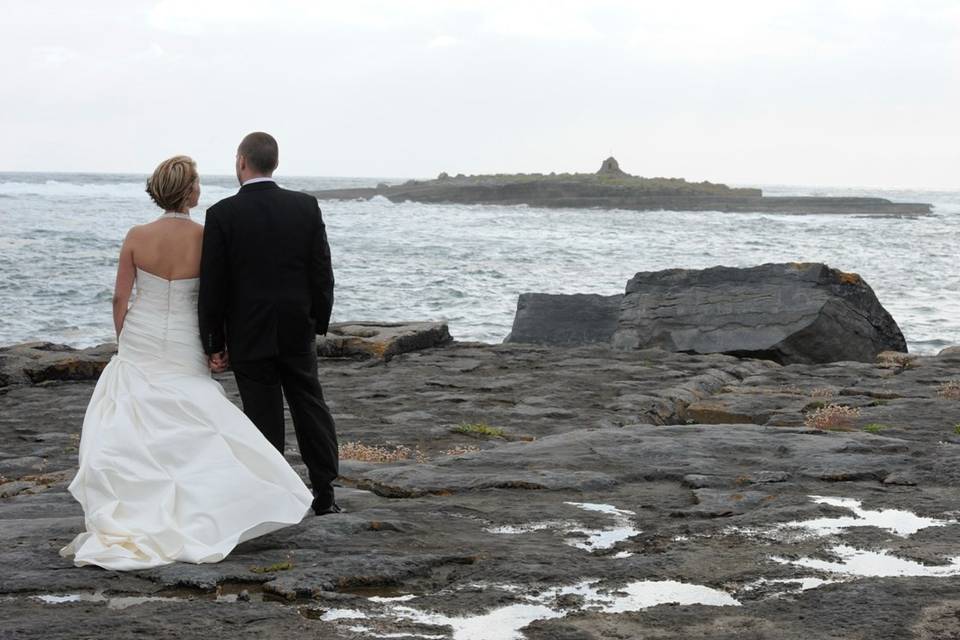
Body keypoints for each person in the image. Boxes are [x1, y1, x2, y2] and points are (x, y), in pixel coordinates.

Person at [61, 156, 313, 571]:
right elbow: (216, 297)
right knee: (195, 415)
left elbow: (120, 298)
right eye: (196, 183)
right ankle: (206, 506)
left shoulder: (137, 236)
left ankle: (136, 505)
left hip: (141, 337)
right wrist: (217, 344)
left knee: (133, 420)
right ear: (190, 191)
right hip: (184, 340)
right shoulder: (205, 236)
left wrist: (124, 337)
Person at [198, 132, 339, 516]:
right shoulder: (305, 206)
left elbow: (214, 287)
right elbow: (321, 272)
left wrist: (213, 340)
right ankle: (324, 492)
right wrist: (317, 322)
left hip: (248, 332)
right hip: (297, 328)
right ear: (273, 163)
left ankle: (272, 497)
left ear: (242, 161)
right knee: (310, 406)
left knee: (262, 416)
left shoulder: (222, 214)